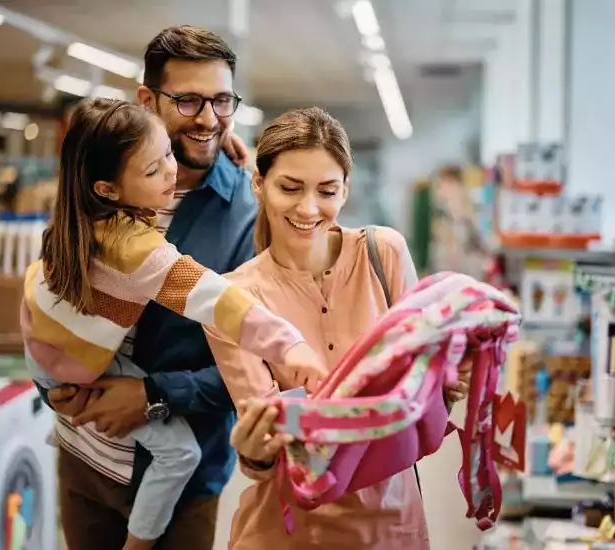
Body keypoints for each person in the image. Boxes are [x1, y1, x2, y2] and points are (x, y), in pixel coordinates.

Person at [24, 98, 321, 550]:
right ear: (107, 187)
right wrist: (289, 345)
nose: (171, 172)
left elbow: (110, 133)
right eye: (153, 169)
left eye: (168, 152)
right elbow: (221, 301)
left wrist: (222, 149)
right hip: (76, 378)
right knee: (180, 453)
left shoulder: (77, 213)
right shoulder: (140, 251)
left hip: (44, 353)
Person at [208, 107, 474, 549]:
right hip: (286, 532)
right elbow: (268, 452)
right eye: (290, 188)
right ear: (259, 184)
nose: (308, 208)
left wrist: (446, 384)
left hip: (391, 527)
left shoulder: (382, 253)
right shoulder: (235, 299)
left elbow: (423, 397)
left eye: (327, 191)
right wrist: (254, 450)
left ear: (346, 191)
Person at [41, 25, 260, 550]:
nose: (208, 119)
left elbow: (258, 367)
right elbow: (54, 293)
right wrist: (49, 381)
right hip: (85, 463)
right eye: (187, 101)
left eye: (221, 100)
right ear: (147, 99)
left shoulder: (246, 215)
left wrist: (154, 397)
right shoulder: (101, 183)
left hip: (181, 482)